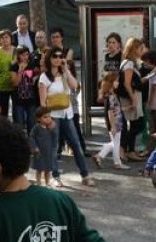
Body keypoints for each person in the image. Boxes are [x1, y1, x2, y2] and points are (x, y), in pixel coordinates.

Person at [39, 46, 94, 187]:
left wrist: (66, 70)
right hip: (53, 115)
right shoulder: (44, 77)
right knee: (53, 147)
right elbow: (42, 101)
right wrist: (47, 119)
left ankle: (85, 174)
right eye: (55, 57)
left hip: (67, 114)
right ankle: (55, 177)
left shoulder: (64, 74)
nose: (58, 59)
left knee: (76, 145)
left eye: (60, 56)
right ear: (49, 59)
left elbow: (75, 86)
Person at [92, 71, 127, 170]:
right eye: (117, 81)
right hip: (115, 122)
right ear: (112, 82)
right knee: (116, 143)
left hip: (116, 121)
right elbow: (110, 112)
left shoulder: (110, 95)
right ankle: (117, 162)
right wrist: (113, 126)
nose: (118, 83)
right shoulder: (111, 96)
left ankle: (100, 156)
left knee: (114, 143)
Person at [120, 38, 147, 160]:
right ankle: (128, 150)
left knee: (136, 123)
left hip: (135, 94)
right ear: (134, 49)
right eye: (140, 48)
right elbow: (127, 83)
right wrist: (133, 98)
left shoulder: (132, 62)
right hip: (132, 96)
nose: (142, 51)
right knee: (138, 124)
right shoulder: (129, 63)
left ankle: (130, 149)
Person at [29, 107, 58, 186]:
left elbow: (55, 137)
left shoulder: (50, 127)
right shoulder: (37, 128)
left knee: (48, 169)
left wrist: (54, 129)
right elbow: (31, 137)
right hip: (39, 152)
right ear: (39, 119)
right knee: (39, 168)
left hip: (48, 151)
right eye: (45, 117)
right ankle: (38, 182)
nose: (48, 119)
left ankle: (47, 182)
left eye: (49, 116)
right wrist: (34, 146)